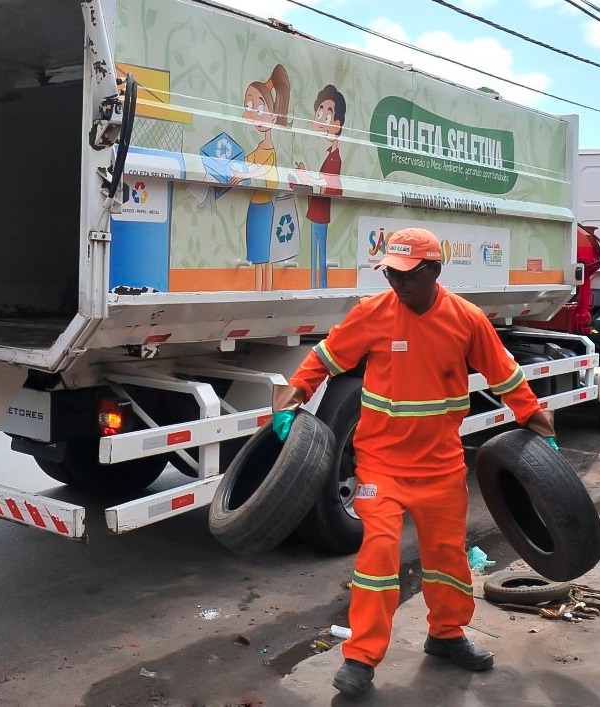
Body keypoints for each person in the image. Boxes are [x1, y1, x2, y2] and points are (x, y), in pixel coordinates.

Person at [271, 228, 556, 697]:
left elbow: (504, 373)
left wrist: (538, 422)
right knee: (378, 558)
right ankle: (361, 657)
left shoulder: (466, 319)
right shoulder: (372, 314)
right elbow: (324, 359)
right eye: (389, 273)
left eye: (406, 275)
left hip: (441, 466)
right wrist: (290, 402)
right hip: (381, 465)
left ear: (434, 271)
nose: (396, 283)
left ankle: (446, 635)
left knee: (447, 560)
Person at [229, 64, 292, 292]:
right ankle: (259, 291)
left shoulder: (268, 148)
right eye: (248, 105)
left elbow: (262, 170)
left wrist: (243, 173)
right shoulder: (259, 146)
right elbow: (248, 163)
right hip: (256, 205)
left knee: (264, 255)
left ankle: (263, 291)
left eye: (257, 106)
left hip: (264, 206)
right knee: (257, 255)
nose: (251, 112)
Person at [292, 84, 346, 289]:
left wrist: (305, 176)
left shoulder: (334, 158)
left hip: (320, 215)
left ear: (338, 124)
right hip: (316, 214)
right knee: (316, 257)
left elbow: (326, 182)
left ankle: (319, 288)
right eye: (319, 113)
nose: (320, 119)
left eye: (326, 115)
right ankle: (316, 288)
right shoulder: (329, 154)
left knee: (320, 257)